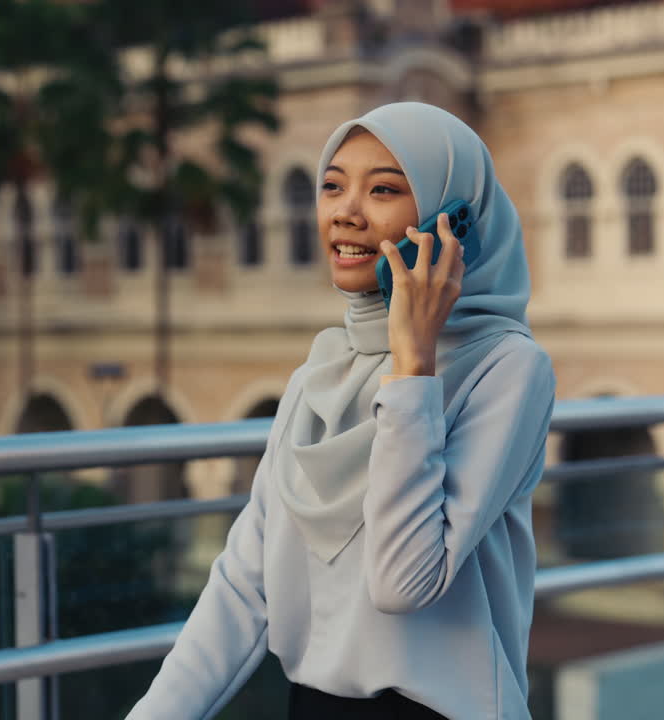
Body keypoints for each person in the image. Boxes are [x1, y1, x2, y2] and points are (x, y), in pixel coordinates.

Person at [125, 102, 555, 720]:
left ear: (453, 219)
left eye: (383, 190)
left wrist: (412, 366)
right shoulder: (318, 375)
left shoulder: (508, 369)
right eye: (331, 186)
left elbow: (403, 582)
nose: (345, 213)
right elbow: (242, 586)